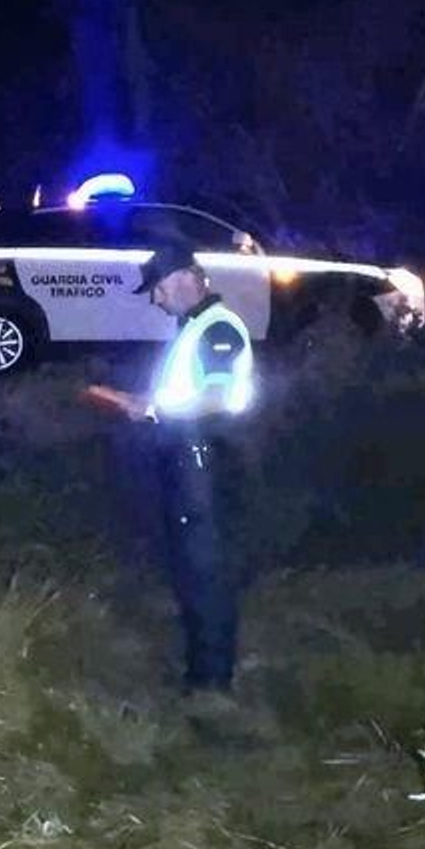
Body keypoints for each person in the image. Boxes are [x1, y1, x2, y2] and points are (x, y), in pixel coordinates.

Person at [85, 242, 255, 694]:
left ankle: (211, 687)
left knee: (207, 570)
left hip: (206, 461)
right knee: (194, 566)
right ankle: (202, 672)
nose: (156, 300)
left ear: (183, 277)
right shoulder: (196, 326)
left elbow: (219, 398)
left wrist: (151, 408)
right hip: (192, 459)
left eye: (157, 289)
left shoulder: (218, 328)